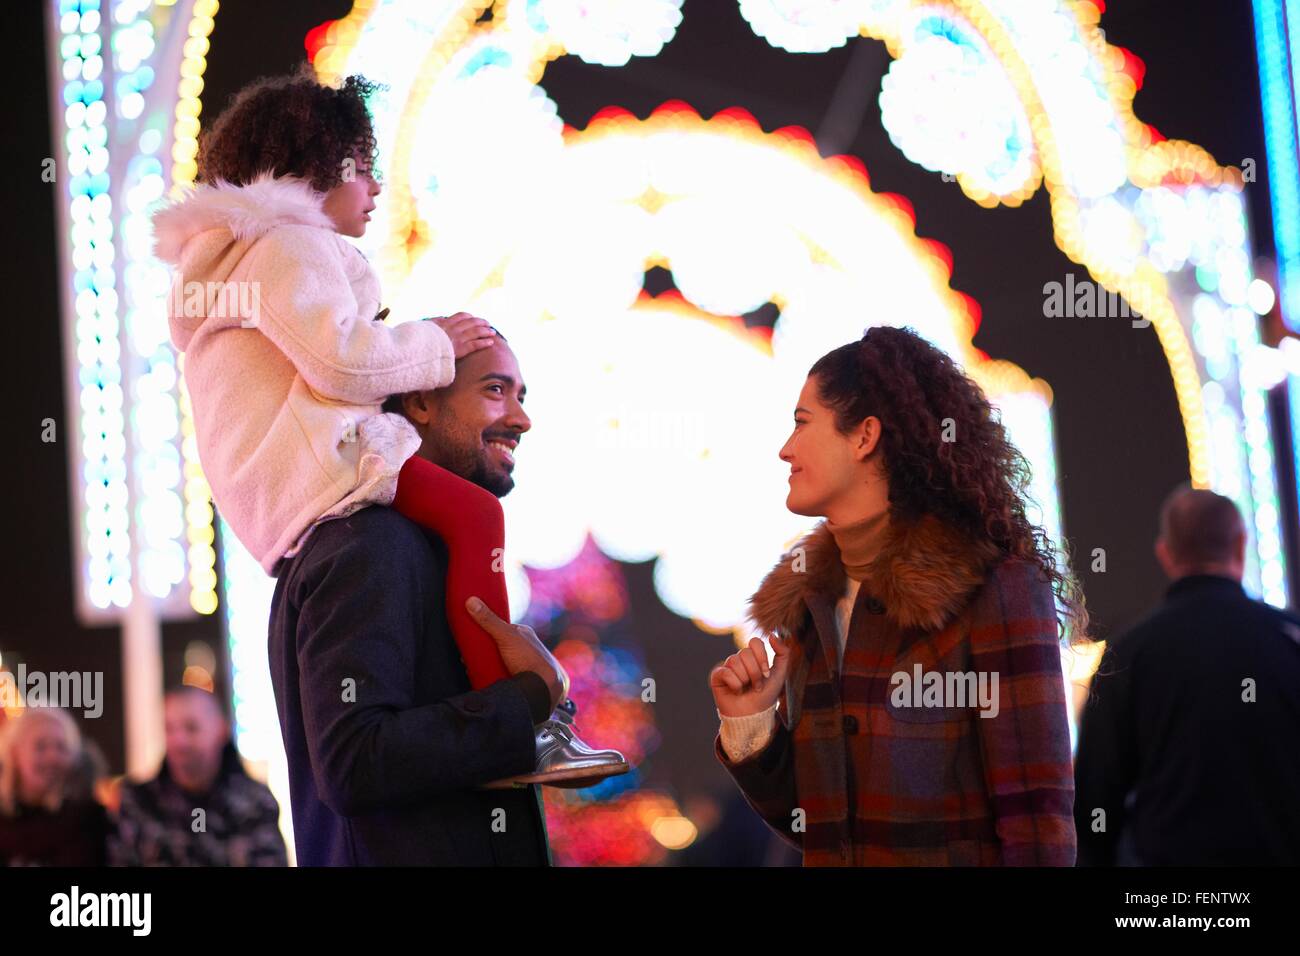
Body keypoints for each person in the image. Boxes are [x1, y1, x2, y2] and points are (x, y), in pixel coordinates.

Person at [149, 64, 624, 786]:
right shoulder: (290, 248)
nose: (374, 192)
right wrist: (435, 341)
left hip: (282, 486)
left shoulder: (237, 261)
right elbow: (340, 362)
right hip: (323, 464)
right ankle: (521, 719)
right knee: (473, 518)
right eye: (364, 170)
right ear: (319, 168)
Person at [709, 326, 1084, 865]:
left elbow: (1037, 826)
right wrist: (750, 726)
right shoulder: (812, 604)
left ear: (864, 436)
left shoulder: (994, 588)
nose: (785, 449)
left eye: (801, 422)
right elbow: (823, 829)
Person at [269, 334, 616, 864]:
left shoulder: (433, 547)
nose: (521, 419)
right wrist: (528, 698)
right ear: (421, 402)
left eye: (523, 396)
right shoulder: (370, 542)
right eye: (496, 389)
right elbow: (353, 760)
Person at [1074, 485, 1300, 865]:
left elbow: (1096, 802)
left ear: (1166, 554)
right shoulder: (1290, 639)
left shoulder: (1127, 655)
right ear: (1241, 544)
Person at [108, 686, 287, 866]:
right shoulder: (139, 802)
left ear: (221, 730)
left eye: (191, 728)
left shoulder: (255, 803)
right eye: (169, 729)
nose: (179, 741)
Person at [0, 707, 110, 866]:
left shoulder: (92, 820)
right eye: (41, 746)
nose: (52, 757)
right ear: (14, 754)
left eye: (61, 747)